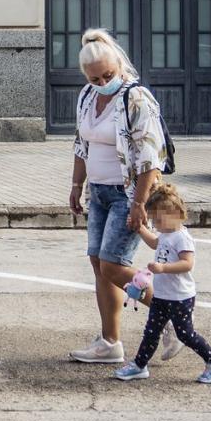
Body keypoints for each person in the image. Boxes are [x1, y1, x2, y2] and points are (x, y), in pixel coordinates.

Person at [67, 28, 167, 366]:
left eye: (108, 74)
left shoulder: (136, 98)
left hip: (128, 193)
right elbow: (82, 145)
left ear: (119, 63)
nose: (103, 81)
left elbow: (151, 156)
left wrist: (140, 203)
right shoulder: (87, 95)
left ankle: (170, 311)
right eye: (95, 77)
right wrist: (76, 185)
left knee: (113, 264)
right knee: (99, 265)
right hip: (98, 192)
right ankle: (110, 342)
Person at [113, 183, 211, 384]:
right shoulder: (166, 233)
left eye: (157, 219)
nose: (154, 224)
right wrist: (140, 228)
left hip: (180, 297)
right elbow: (154, 243)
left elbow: (187, 264)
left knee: (186, 334)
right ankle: (139, 365)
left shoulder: (182, 238)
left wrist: (163, 269)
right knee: (151, 332)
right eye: (152, 219)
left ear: (174, 213)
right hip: (162, 296)